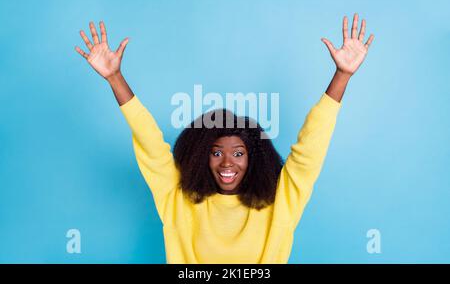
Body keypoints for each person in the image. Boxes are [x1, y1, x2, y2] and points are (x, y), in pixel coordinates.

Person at [75, 14, 374, 263]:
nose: (227, 162)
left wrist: (342, 75)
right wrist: (115, 78)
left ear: (253, 158)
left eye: (239, 154)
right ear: (201, 156)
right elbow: (150, 144)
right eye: (216, 153)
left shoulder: (281, 201)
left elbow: (311, 148)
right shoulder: (177, 199)